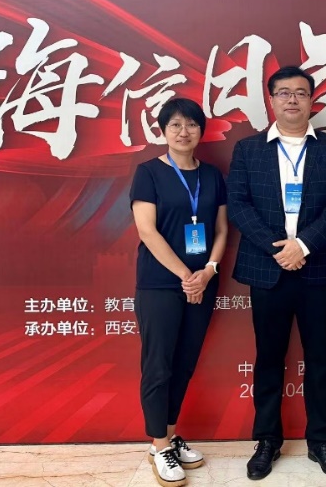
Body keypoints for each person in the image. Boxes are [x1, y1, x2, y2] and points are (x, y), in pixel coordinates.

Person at [227, 66, 326, 480]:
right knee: (268, 357)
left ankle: (322, 442)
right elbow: (239, 205)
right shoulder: (248, 150)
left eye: (301, 92)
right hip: (269, 269)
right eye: (284, 93)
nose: (292, 99)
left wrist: (303, 245)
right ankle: (267, 440)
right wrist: (278, 248)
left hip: (319, 267)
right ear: (271, 100)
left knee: (320, 358)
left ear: (312, 100)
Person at [129, 97, 228, 487]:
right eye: (175, 125)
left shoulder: (213, 176)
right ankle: (158, 446)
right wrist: (187, 275)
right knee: (158, 365)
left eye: (190, 124)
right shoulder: (149, 173)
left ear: (201, 130)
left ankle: (168, 436)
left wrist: (208, 271)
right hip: (160, 283)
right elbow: (146, 231)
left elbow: (221, 229)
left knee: (184, 363)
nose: (183, 132)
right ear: (163, 131)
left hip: (203, 281)